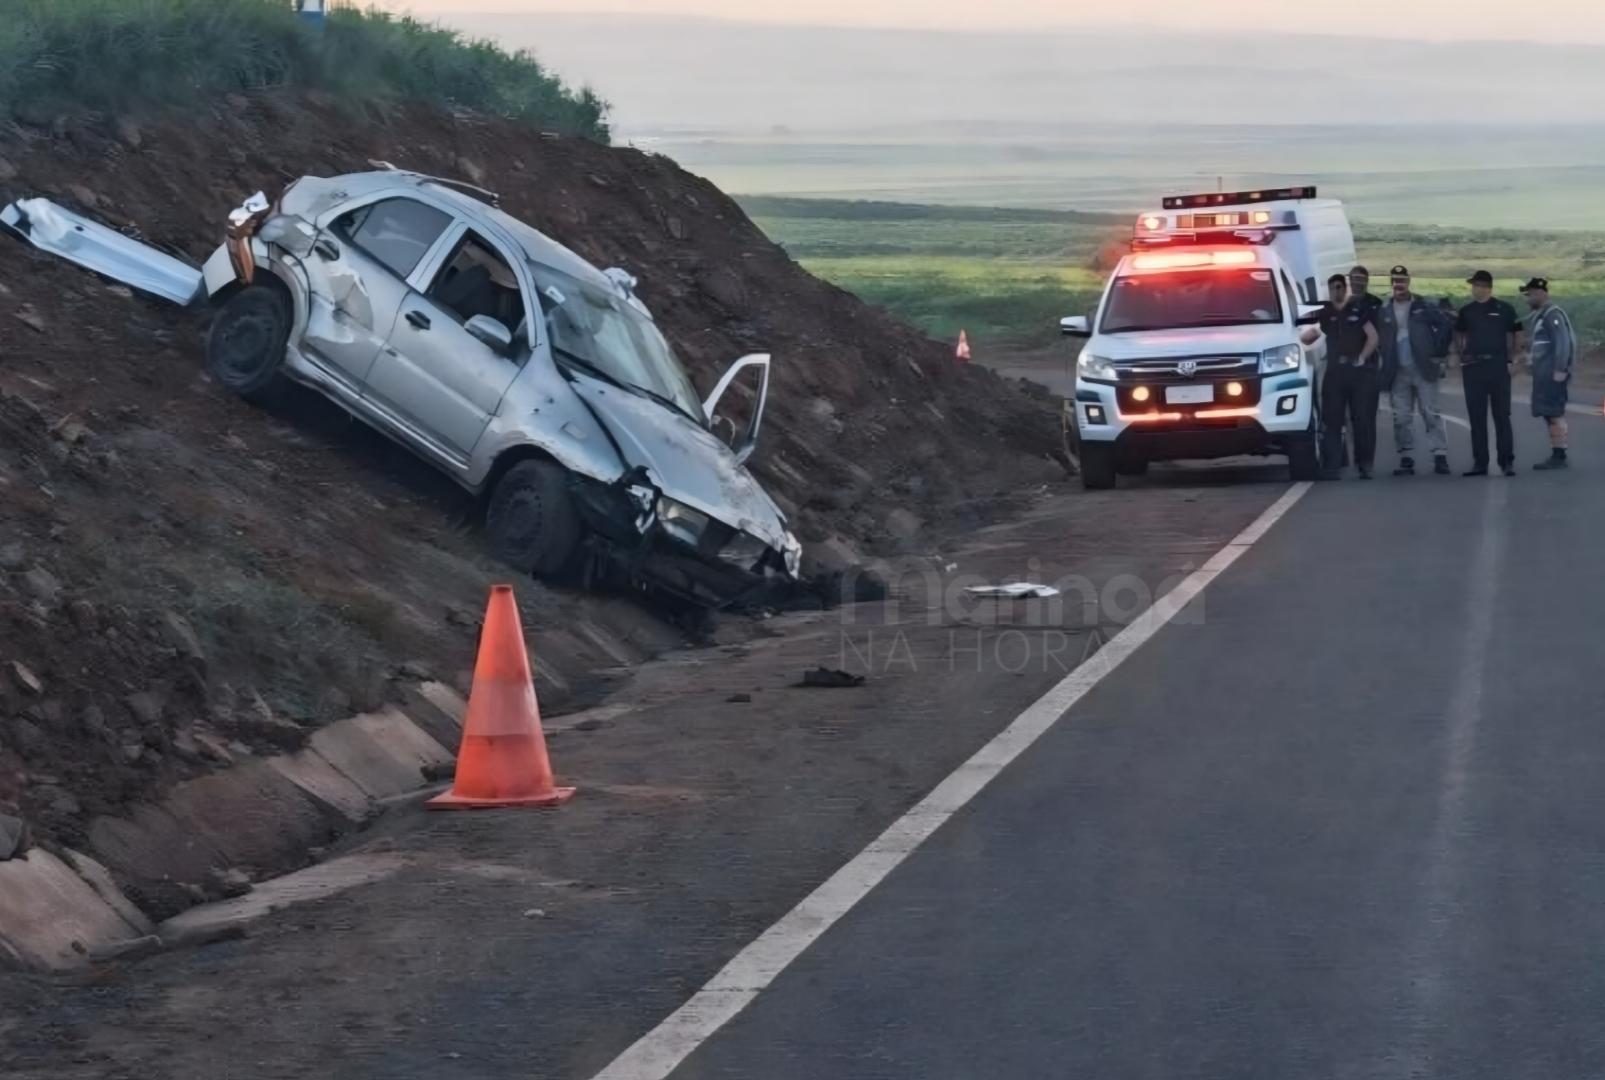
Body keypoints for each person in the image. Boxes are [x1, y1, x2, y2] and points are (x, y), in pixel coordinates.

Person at [1375, 265, 1451, 476]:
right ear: (1391, 283)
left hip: (1424, 367)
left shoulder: (1423, 305)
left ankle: (1440, 455)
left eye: (1402, 280)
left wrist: (1439, 352)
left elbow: (1445, 325)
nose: (1399, 284)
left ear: (1408, 281)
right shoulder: (1383, 308)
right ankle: (1406, 457)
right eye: (1395, 280)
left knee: (1431, 412)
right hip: (1396, 370)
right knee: (1401, 417)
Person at [1304, 273, 1380, 479]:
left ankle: (1364, 464)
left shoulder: (1357, 310)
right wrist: (1301, 340)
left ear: (1345, 289)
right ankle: (1333, 465)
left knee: (1361, 419)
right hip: (1335, 373)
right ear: (1329, 291)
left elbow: (1373, 337)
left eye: (1339, 287)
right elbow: (1310, 335)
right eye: (1333, 288)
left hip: (1357, 374)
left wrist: (1363, 357)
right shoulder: (1324, 313)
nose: (1337, 291)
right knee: (1332, 420)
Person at [1455, 270, 1520, 476]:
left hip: (1498, 366)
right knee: (1477, 417)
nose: (1475, 289)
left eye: (1478, 285)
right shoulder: (1466, 311)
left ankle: (1506, 461)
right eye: (1473, 286)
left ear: (1487, 288)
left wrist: (1514, 358)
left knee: (1502, 415)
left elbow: (1518, 332)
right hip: (1474, 368)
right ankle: (1480, 463)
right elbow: (1458, 333)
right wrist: (1461, 353)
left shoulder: (1504, 309)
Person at [1522, 277, 1576, 470]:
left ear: (1541, 293)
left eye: (1530, 294)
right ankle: (1557, 452)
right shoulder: (1542, 315)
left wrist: (1560, 369)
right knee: (1548, 413)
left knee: (1554, 413)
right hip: (1545, 374)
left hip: (1553, 374)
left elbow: (1563, 342)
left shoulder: (1553, 314)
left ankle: (1559, 455)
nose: (1527, 299)